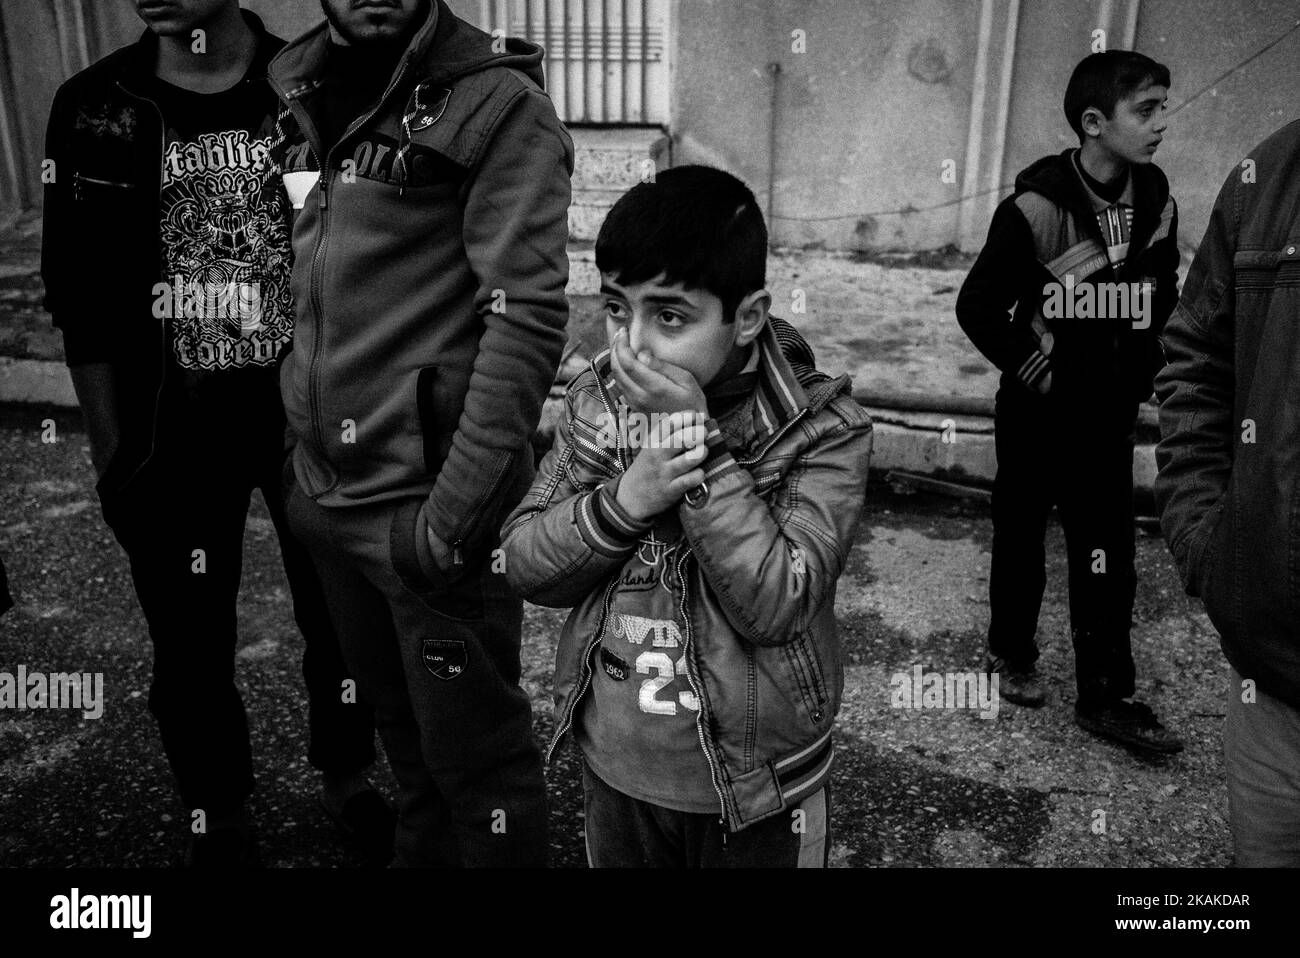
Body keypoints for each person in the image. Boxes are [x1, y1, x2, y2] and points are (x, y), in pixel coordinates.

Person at [40, 0, 389, 867]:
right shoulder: (93, 107)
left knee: (341, 617)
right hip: (172, 427)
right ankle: (218, 812)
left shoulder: (308, 86)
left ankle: (349, 778)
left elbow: (369, 256)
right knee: (189, 640)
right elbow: (78, 294)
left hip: (306, 416)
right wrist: (111, 451)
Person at [269, 0, 573, 867]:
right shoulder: (297, 80)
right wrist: (298, 468)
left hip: (427, 513)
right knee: (406, 748)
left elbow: (525, 321)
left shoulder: (497, 104)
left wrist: (454, 519)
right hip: (327, 500)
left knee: (479, 767)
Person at [501, 166, 873, 867]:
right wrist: (624, 503)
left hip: (760, 791)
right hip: (617, 771)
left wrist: (699, 455)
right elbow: (523, 560)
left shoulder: (821, 431)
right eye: (617, 309)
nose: (631, 346)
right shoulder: (596, 404)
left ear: (749, 317)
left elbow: (779, 603)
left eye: (669, 316)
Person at [955, 50, 1182, 754]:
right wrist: (1042, 375)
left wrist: (1146, 374)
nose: (1161, 125)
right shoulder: (1034, 208)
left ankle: (1106, 696)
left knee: (1107, 552)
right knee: (1021, 533)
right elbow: (980, 308)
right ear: (1093, 123)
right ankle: (1012, 652)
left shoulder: (1158, 203)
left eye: (1161, 109)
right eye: (1145, 111)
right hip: (1037, 415)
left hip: (1108, 421)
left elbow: (1160, 297)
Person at [1154, 119, 1300, 865]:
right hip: (1273, 686)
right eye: (1145, 110)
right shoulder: (1268, 175)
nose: (1162, 124)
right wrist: (1207, 540)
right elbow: (1194, 349)